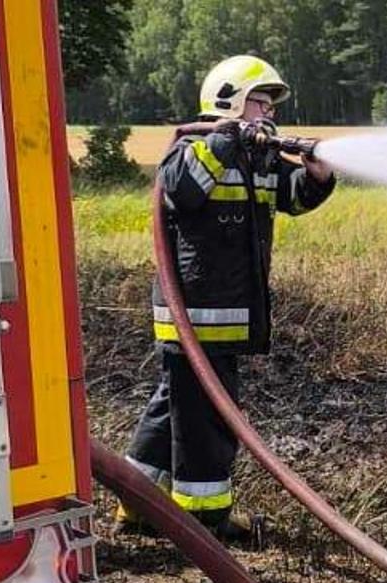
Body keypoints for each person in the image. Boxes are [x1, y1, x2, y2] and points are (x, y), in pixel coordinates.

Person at [119, 55, 337, 541]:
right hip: (195, 317)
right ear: (230, 102)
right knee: (208, 420)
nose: (269, 115)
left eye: (270, 106)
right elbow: (181, 190)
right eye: (260, 103)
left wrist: (317, 177)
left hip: (226, 316)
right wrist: (223, 141)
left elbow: (291, 196)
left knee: (173, 406)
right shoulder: (193, 148)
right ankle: (203, 520)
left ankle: (135, 501)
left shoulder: (259, 156)